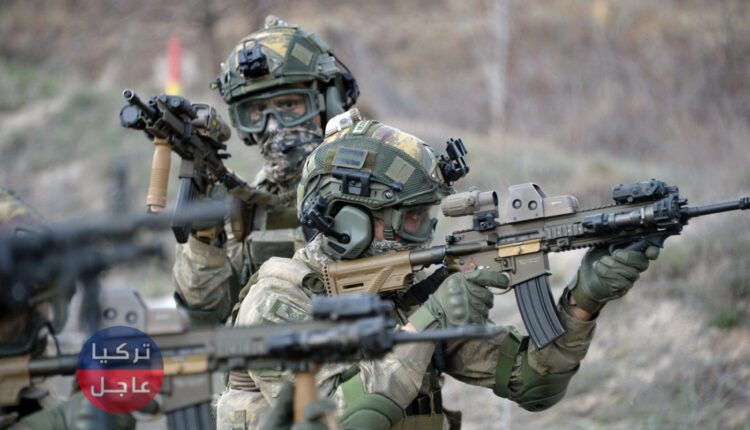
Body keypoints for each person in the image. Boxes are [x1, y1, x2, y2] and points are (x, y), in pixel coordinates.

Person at [222, 112, 661, 430]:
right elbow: (343, 421)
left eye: (426, 217)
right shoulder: (278, 301)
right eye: (410, 219)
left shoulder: (403, 289)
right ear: (348, 220)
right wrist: (432, 320)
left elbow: (533, 385)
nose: (423, 233)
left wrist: (585, 299)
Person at [172, 14, 359, 328]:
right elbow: (203, 315)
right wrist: (205, 240)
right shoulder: (253, 201)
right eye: (257, 112)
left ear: (328, 102)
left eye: (289, 105)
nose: (273, 126)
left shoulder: (371, 173)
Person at [0, 188, 140, 429]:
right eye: (15, 313)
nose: (39, 321)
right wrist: (62, 421)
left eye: (44, 302)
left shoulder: (26, 358)